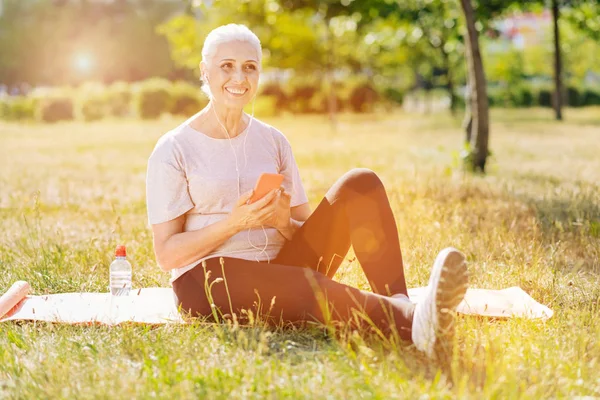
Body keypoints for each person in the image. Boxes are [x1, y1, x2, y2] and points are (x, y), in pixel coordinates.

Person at [146, 24, 468, 360]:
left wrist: (284, 222)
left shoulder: (273, 141)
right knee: (298, 282)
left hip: (283, 270)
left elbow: (305, 236)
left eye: (249, 67)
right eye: (226, 66)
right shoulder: (174, 148)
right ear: (204, 71)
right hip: (209, 281)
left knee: (361, 183)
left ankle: (401, 304)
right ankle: (411, 321)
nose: (238, 78)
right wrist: (235, 223)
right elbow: (167, 254)